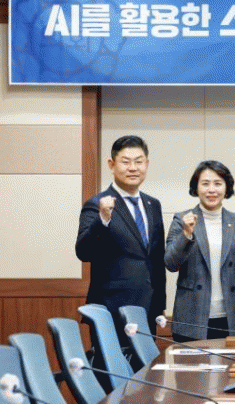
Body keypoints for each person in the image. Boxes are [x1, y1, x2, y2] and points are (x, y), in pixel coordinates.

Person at [76, 135, 166, 336]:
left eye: (139, 162)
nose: (133, 168)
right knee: (111, 358)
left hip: (147, 309)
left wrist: (160, 305)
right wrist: (102, 219)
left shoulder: (153, 205)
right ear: (111, 164)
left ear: (147, 164)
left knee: (146, 358)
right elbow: (83, 251)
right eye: (126, 162)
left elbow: (156, 258)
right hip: (111, 310)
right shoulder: (97, 204)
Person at [164, 160, 235, 342]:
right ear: (196, 187)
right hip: (191, 317)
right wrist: (186, 235)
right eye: (205, 184)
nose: (211, 190)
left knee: (229, 362)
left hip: (229, 317)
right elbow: (170, 264)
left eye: (218, 184)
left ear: (226, 188)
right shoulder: (181, 220)